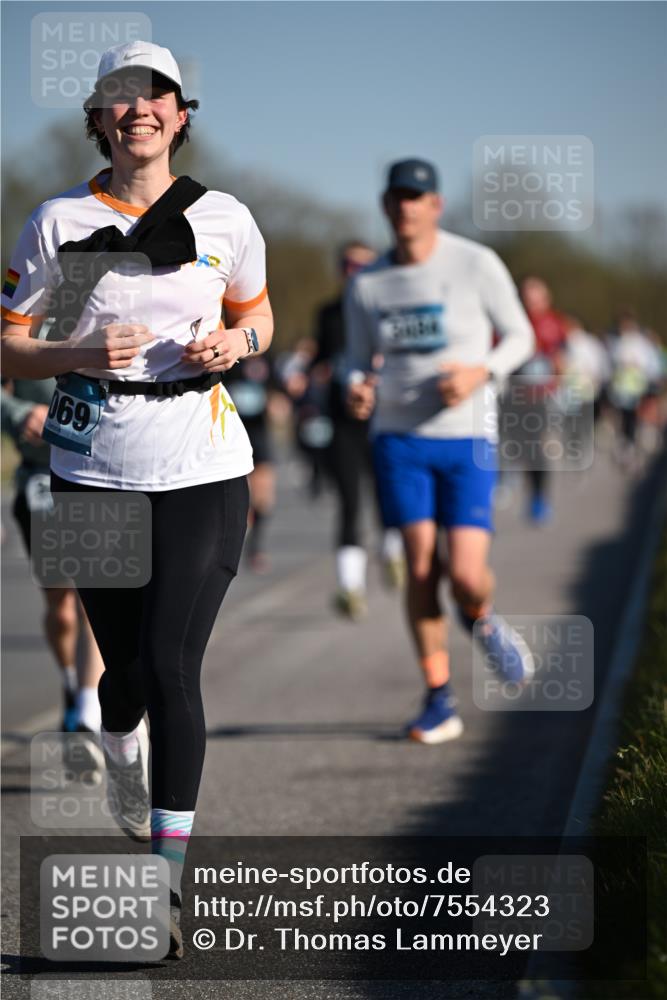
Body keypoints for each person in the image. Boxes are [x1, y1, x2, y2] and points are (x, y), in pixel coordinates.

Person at [1, 41, 273, 958]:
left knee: (171, 665)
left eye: (155, 95)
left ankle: (163, 883)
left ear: (179, 113)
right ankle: (119, 743)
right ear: (101, 118)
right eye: (120, 98)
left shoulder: (225, 217)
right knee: (121, 677)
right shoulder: (57, 222)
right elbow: (10, 345)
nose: (138, 110)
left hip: (202, 460)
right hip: (89, 465)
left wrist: (236, 349)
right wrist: (76, 354)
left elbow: (257, 314)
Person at [345, 158, 535, 744]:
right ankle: (438, 697)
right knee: (421, 565)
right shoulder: (367, 282)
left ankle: (481, 618)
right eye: (397, 197)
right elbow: (356, 357)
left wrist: (483, 372)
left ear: (436, 205)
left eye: (417, 197)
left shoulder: (475, 263)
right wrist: (355, 386)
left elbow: (522, 335)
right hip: (399, 441)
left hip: (469, 437)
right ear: (386, 206)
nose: (407, 206)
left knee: (467, 576)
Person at [1, 375, 105, 775]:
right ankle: (69, 684)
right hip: (42, 478)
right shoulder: (21, 315)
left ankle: (87, 714)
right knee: (61, 608)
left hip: (101, 476)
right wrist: (20, 412)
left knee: (92, 599)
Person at [311, 241, 404, 620]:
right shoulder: (329, 314)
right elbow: (319, 360)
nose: (355, 272)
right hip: (343, 422)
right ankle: (351, 588)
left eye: (363, 265)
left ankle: (393, 553)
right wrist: (314, 374)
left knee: (389, 499)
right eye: (349, 265)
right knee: (350, 502)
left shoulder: (390, 311)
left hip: (387, 421)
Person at [509, 277, 568, 523]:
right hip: (516, 395)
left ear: (546, 298)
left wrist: (559, 387)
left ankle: (539, 498)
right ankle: (520, 484)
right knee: (522, 445)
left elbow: (561, 358)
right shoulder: (513, 321)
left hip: (543, 395)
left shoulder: (555, 322)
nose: (532, 303)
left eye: (536, 297)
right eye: (527, 297)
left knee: (537, 445)